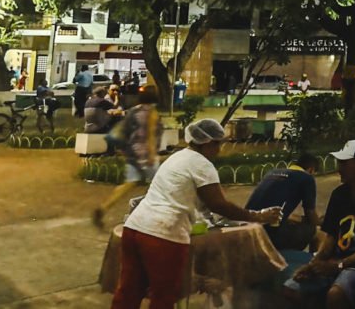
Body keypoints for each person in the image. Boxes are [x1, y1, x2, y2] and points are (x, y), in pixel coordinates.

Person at [111, 119, 282, 309]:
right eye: (219, 144)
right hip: (163, 234)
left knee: (129, 290)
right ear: (208, 143)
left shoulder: (178, 156)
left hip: (135, 227)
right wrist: (257, 216)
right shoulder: (202, 164)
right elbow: (219, 205)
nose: (220, 150)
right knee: (164, 295)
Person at [285, 139, 355, 309]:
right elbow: (330, 236)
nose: (339, 168)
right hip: (335, 260)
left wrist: (340, 265)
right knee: (291, 289)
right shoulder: (339, 194)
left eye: (344, 163)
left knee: (336, 295)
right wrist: (314, 264)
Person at [93, 87, 164, 229]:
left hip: (132, 152)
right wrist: (151, 155)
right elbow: (150, 135)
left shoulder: (134, 110)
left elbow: (126, 130)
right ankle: (154, 217)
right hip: (145, 155)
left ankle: (104, 208)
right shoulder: (151, 113)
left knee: (128, 184)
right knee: (161, 185)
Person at [245, 154, 321, 251]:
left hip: (248, 228)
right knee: (318, 232)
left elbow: (270, 204)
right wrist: (322, 224)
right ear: (311, 169)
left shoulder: (272, 172)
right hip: (270, 234)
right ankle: (313, 263)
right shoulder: (307, 178)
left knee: (293, 222)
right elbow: (310, 213)